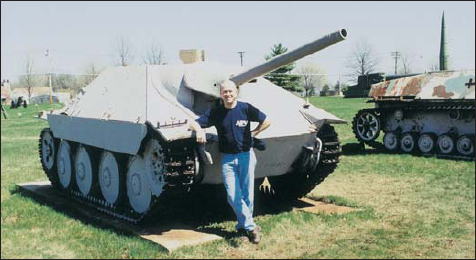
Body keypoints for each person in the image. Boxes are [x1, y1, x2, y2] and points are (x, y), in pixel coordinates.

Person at [189, 79, 271, 244]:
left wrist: (254, 133)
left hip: (246, 155)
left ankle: (243, 227)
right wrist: (198, 129)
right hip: (228, 158)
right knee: (233, 196)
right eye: (225, 92)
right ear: (221, 94)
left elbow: (266, 120)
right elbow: (193, 123)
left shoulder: (245, 108)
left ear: (236, 92)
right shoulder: (217, 112)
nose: (228, 94)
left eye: (231, 91)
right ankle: (251, 226)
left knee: (248, 194)